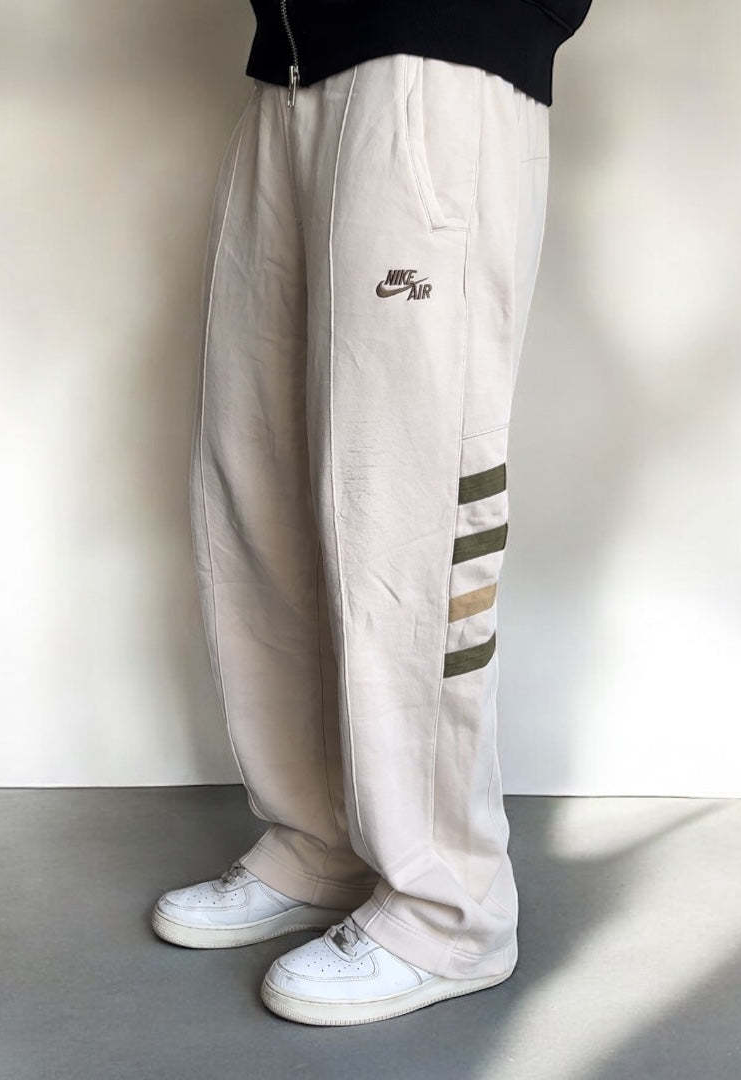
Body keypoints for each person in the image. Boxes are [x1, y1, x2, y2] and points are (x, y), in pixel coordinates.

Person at [152, 0, 593, 1026]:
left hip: (438, 61)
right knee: (260, 476)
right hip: (291, 71)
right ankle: (324, 840)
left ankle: (450, 909)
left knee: (407, 500)